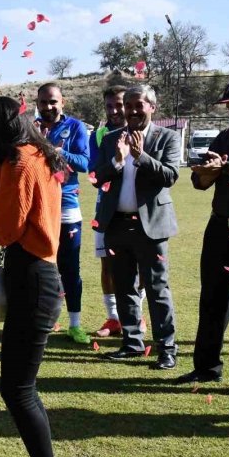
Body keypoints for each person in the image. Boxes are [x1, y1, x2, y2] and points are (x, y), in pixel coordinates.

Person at [0, 96, 69, 457]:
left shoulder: (17, 163)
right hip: (33, 275)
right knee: (18, 386)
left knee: (18, 388)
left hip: (33, 276)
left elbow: (3, 229)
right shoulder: (36, 155)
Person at [177, 76, 229, 398]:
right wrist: (206, 173)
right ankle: (206, 366)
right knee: (212, 299)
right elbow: (201, 182)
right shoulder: (225, 137)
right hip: (220, 228)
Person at [94, 85, 180, 370]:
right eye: (127, 105)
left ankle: (166, 348)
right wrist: (118, 161)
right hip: (116, 224)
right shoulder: (111, 140)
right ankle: (132, 343)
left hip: (151, 226)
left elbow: (170, 176)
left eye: (137, 105)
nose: (131, 110)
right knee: (124, 287)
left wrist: (141, 156)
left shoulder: (167, 137)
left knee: (157, 289)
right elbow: (96, 177)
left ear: (152, 107)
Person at [88, 86, 147, 338]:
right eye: (109, 106)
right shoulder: (101, 135)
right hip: (106, 211)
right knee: (108, 266)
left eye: (119, 105)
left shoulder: (146, 133)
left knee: (142, 266)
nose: (114, 111)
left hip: (139, 213)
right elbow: (94, 175)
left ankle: (137, 315)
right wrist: (116, 160)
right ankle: (113, 318)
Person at [36, 83, 91, 344]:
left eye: (53, 102)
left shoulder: (77, 127)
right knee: (43, 268)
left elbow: (85, 163)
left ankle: (75, 324)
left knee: (70, 268)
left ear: (62, 102)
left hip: (67, 206)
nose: (48, 107)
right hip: (39, 207)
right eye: (43, 102)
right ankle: (47, 319)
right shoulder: (31, 128)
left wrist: (60, 152)